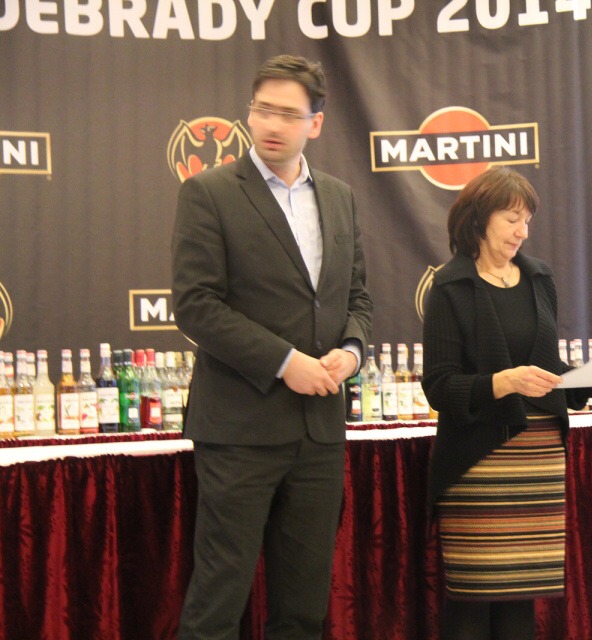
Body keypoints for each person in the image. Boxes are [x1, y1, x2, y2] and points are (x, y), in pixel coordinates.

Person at [171, 54, 373, 639]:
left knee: (303, 609)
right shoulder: (209, 192)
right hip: (239, 430)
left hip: (319, 431)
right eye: (263, 110)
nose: (272, 124)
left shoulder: (340, 197)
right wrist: (286, 363)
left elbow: (357, 299)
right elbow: (197, 304)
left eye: (289, 113)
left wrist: (351, 352)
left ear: (317, 123)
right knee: (218, 603)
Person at [421, 167, 592, 640]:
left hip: (537, 459)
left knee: (520, 599)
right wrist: (501, 383)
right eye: (512, 219)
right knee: (473, 601)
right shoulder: (451, 286)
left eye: (527, 221)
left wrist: (590, 382)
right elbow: (439, 387)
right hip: (478, 460)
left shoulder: (539, 278)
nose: (522, 232)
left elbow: (545, 372)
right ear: (479, 219)